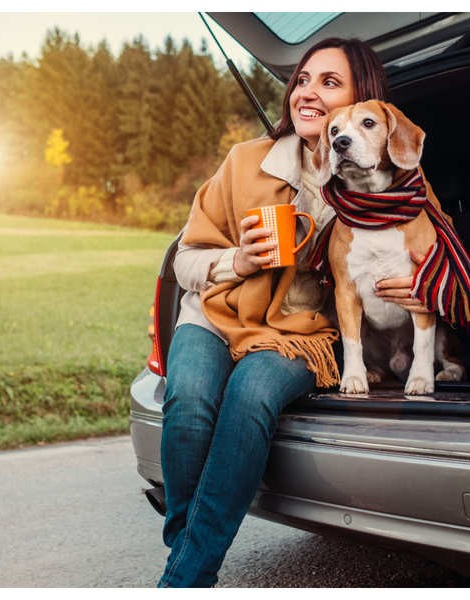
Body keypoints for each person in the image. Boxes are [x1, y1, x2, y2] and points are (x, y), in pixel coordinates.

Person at [157, 37, 429, 588]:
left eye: (329, 83)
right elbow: (184, 259)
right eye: (303, 79)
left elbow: (438, 248)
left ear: (361, 103)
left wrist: (426, 283)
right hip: (217, 312)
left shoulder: (388, 180)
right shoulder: (244, 162)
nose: (307, 92)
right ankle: (188, 560)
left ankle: (184, 579)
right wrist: (239, 258)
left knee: (251, 396)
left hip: (303, 331)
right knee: (188, 404)